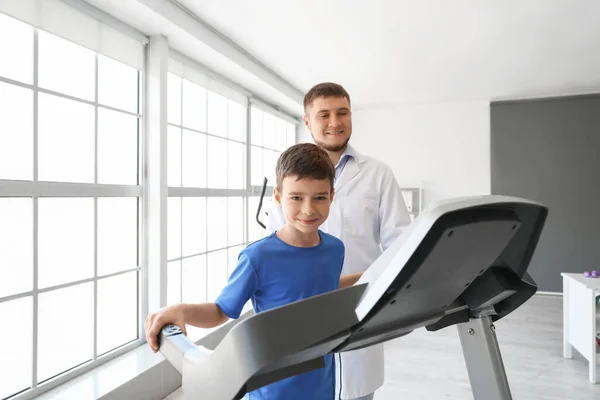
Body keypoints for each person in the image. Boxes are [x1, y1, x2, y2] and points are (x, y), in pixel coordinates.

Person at [145, 143, 363, 400]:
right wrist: (181, 310)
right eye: (296, 197)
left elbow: (323, 287)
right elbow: (220, 311)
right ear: (279, 197)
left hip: (322, 385)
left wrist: (373, 275)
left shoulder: (335, 249)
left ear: (332, 196)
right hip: (271, 390)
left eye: (319, 197)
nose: (308, 209)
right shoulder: (257, 257)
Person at [266, 82, 412, 400]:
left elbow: (402, 245)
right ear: (307, 121)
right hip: (302, 316)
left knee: (356, 393)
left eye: (342, 112)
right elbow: (274, 249)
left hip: (360, 313)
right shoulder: (287, 175)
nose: (335, 122)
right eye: (324, 114)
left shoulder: (378, 174)